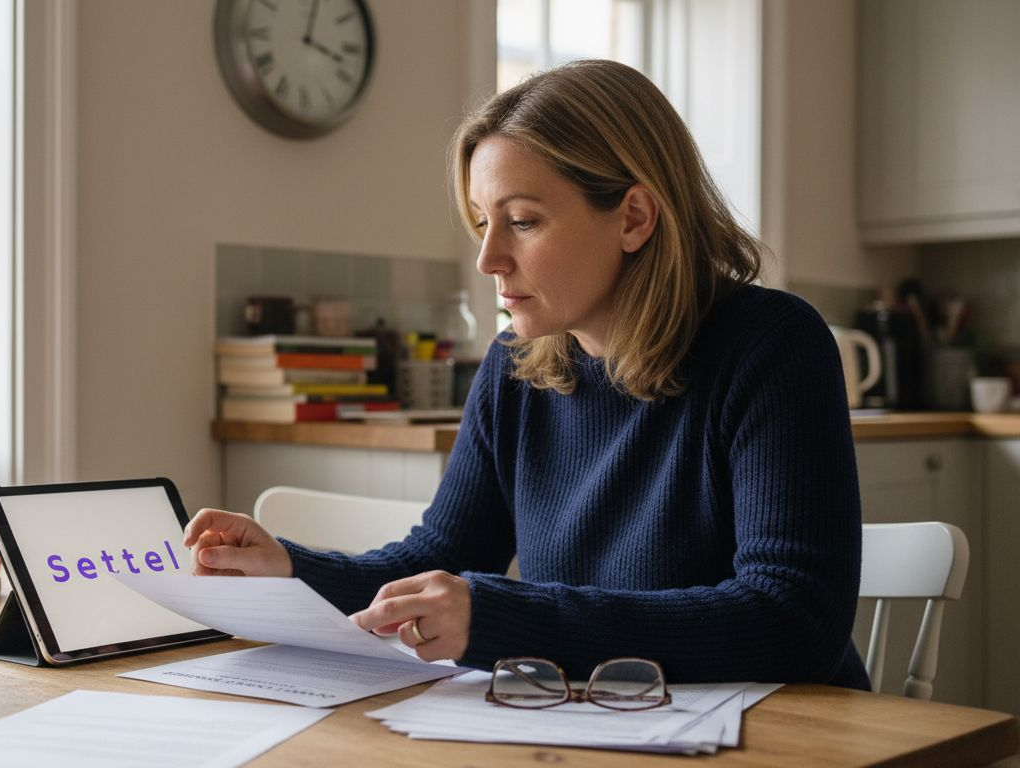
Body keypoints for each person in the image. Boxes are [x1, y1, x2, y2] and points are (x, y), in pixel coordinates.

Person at [185, 59, 870, 689]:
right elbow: (442, 558)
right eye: (483, 221)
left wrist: (501, 617)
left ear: (633, 217)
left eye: (522, 221)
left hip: (777, 734)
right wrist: (291, 570)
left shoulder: (772, 345)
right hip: (602, 725)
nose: (488, 258)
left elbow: (793, 620)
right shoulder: (516, 368)